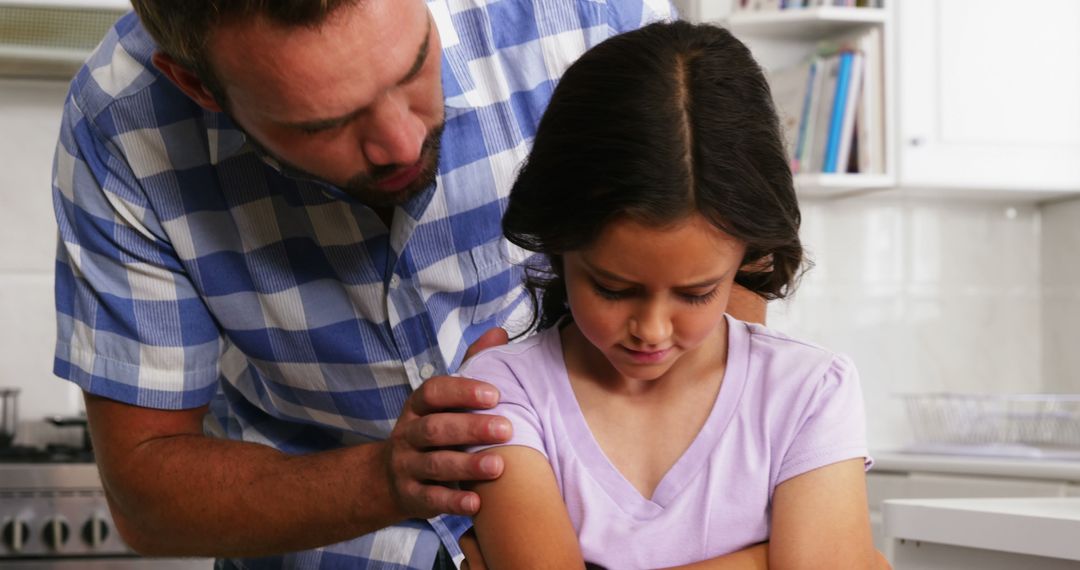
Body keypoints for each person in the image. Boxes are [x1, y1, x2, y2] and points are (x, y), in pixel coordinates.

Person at [49, 1, 753, 569]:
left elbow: (726, 253)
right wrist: (387, 480)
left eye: (414, 68)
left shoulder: (586, 15)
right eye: (326, 122)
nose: (401, 143)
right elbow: (145, 494)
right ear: (197, 86)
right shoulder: (121, 126)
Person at [456, 21, 882, 569]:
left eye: (697, 293)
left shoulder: (809, 393)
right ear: (559, 244)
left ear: (745, 260)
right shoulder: (499, 394)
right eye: (612, 288)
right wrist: (763, 562)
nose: (652, 329)